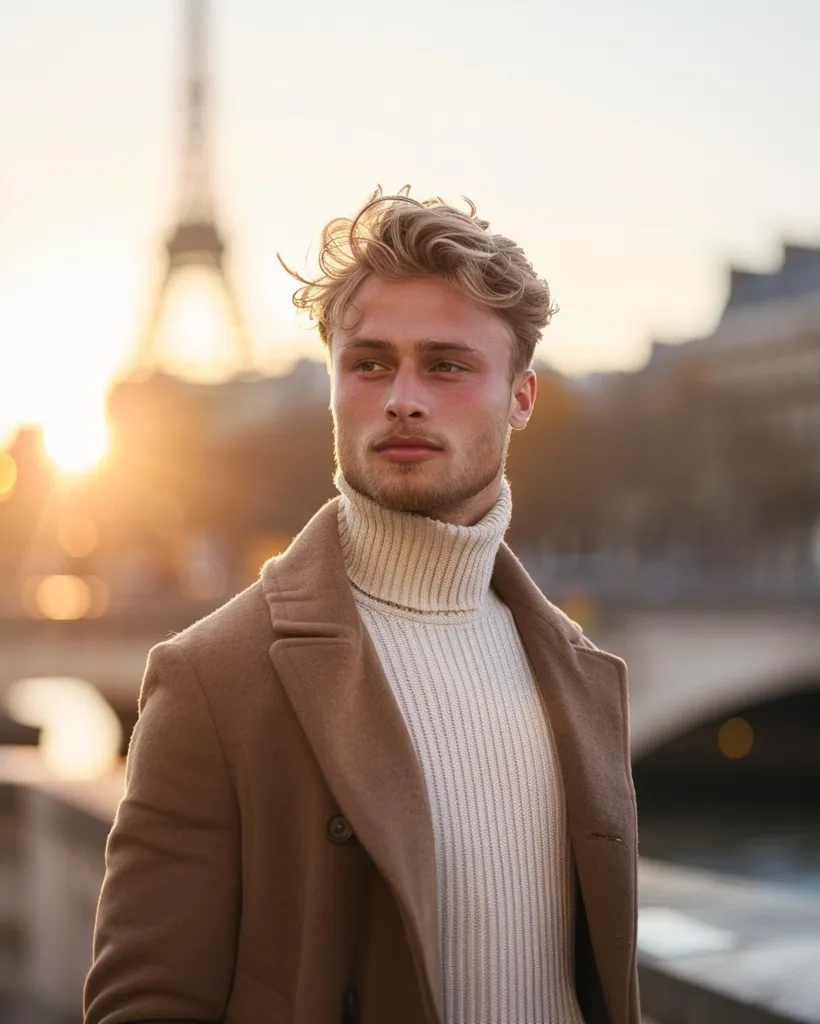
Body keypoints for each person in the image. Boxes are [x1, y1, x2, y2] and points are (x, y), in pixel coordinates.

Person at [84, 188, 640, 1024]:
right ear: (335, 383)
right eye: (370, 362)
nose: (401, 398)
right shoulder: (211, 679)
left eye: (447, 365)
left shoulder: (585, 674)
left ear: (522, 398)